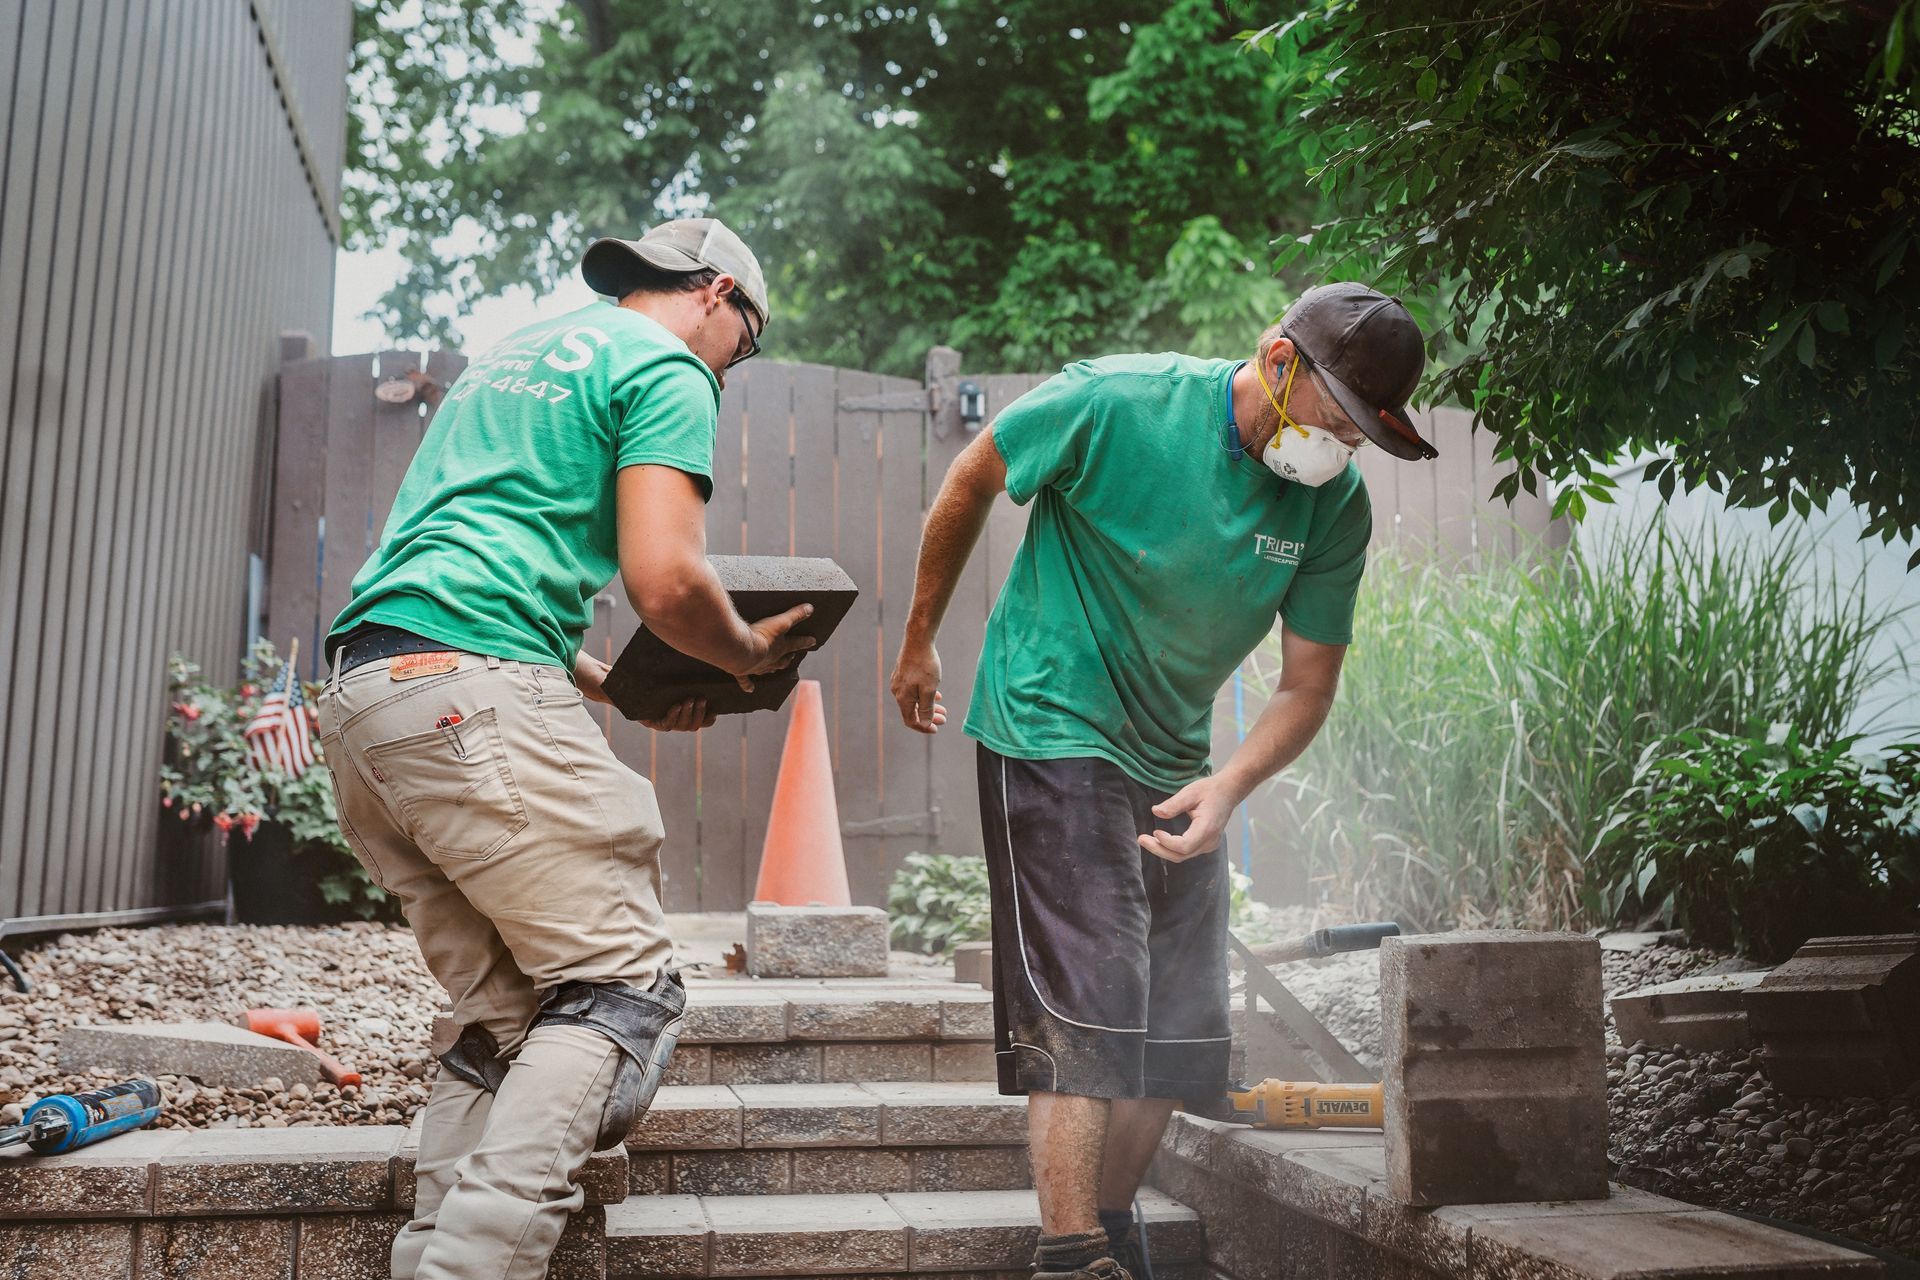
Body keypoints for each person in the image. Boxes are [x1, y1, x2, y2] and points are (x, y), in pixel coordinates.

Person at [889, 284, 1437, 1280]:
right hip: (1048, 716)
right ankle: (1071, 1254)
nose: (1339, 448)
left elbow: (1307, 685)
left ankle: (1111, 1227)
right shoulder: (1118, 403)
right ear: (1280, 364)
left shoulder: (1331, 504)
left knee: (1183, 1029)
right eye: (1336, 418)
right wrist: (920, 638)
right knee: (1091, 1000)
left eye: (1362, 435)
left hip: (1177, 755)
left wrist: (1227, 785)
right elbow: (974, 475)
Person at [317, 218, 815, 1280]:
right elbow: (670, 584)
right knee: (620, 987)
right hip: (469, 700)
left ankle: (429, 1256)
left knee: (507, 1016)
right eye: (749, 341)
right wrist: (738, 654)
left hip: (371, 699)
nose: (736, 361)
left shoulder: (514, 354)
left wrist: (612, 684)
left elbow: (469, 563)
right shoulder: (671, 367)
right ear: (718, 293)